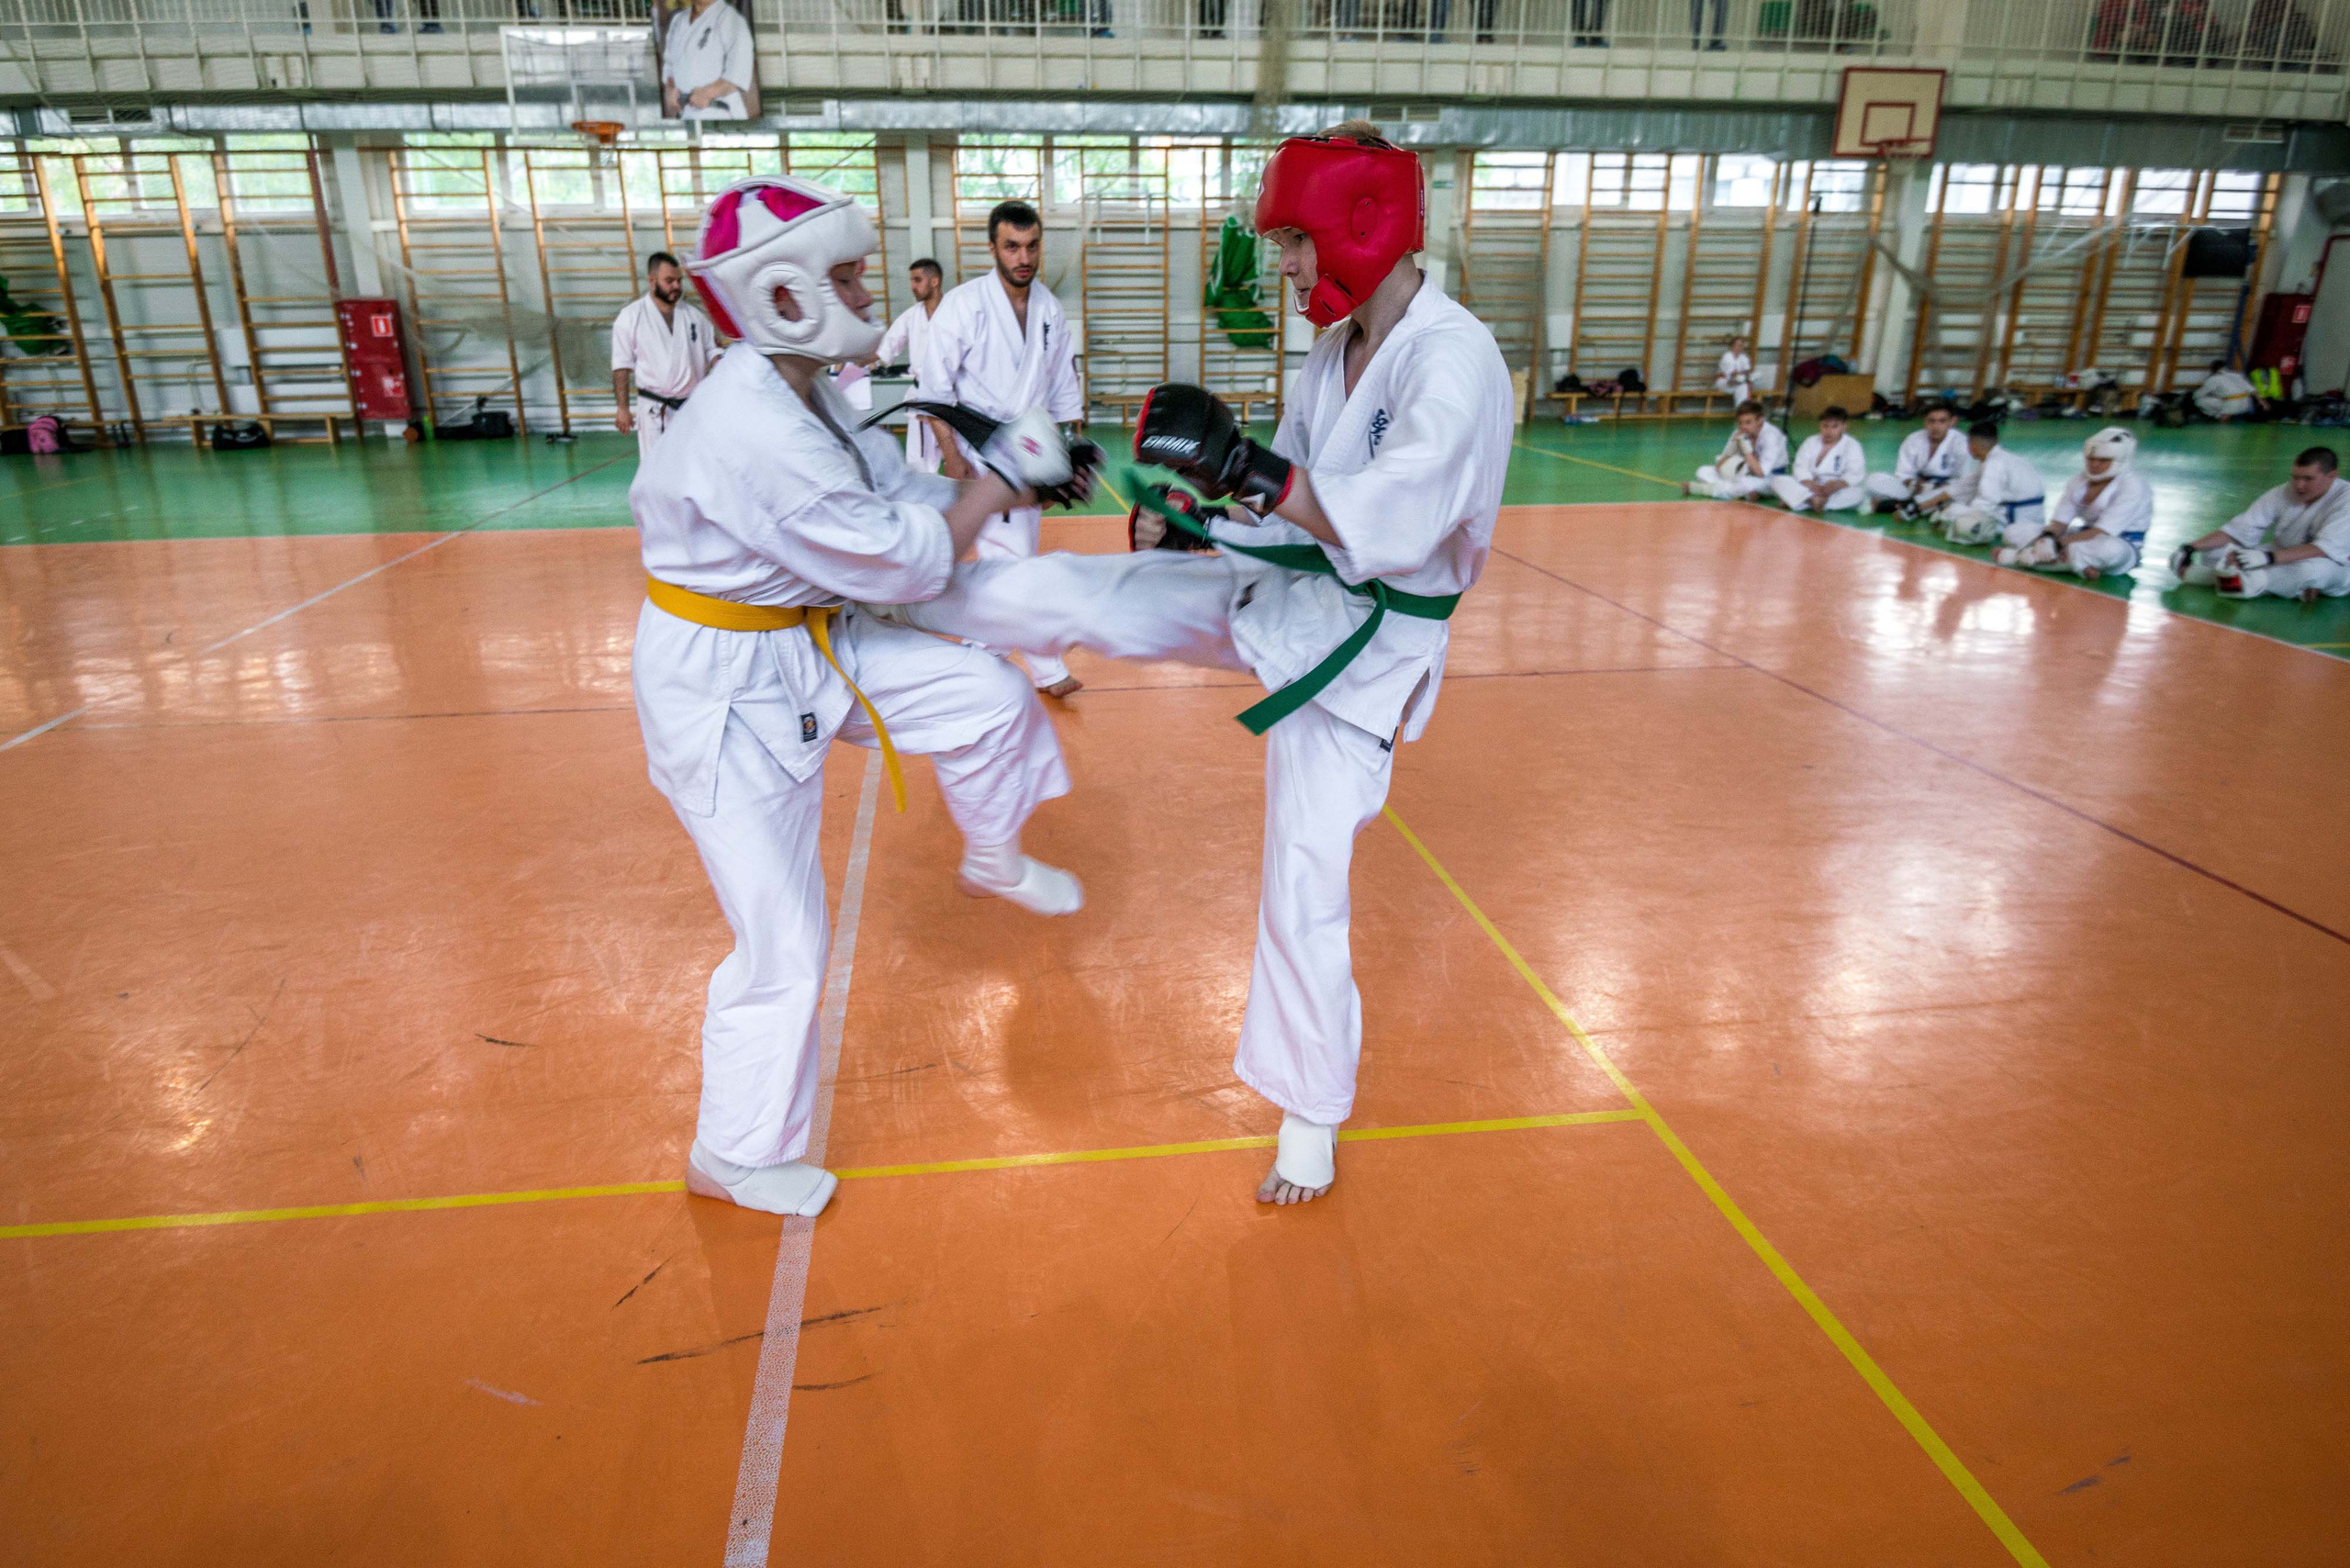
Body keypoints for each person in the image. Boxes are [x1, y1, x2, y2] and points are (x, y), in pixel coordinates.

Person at [891, 128, 1513, 1208]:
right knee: (1104, 591)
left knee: (1303, 876)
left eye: (1292, 244)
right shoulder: (1340, 346)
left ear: (1360, 229)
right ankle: (906, 587)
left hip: (1371, 647)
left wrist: (1249, 470)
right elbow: (1299, 490)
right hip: (1295, 579)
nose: (1282, 268)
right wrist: (1196, 522)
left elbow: (1397, 519)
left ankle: (1309, 1113)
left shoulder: (1452, 358)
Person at [635, 176, 1092, 1218]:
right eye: (843, 275)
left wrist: (1015, 478)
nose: (863, 289)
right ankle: (735, 1153)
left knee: (983, 697)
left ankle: (991, 852)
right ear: (781, 293)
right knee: (784, 938)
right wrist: (1000, 481)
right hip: (724, 685)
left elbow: (903, 495)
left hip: (807, 643)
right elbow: (898, 559)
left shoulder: (813, 396)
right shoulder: (751, 423)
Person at [916, 199, 1087, 700]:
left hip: (1030, 450)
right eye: (1012, 246)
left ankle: (989, 654)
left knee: (1014, 558)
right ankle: (1028, 664)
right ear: (992, 247)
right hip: (977, 449)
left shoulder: (1050, 311)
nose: (1023, 257)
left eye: (1032, 246)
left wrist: (1061, 458)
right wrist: (952, 456)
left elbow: (1059, 392)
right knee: (1008, 560)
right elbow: (933, 391)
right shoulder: (964, 305)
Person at [2171, 445, 2350, 602]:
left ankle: (2213, 578)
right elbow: (2240, 529)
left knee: (2312, 570)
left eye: (2308, 479)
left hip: (2335, 566)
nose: (2299, 485)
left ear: (2332, 476)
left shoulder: (2345, 499)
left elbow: (2323, 549)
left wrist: (2267, 559)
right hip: (2281, 554)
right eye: (2295, 477)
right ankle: (2269, 585)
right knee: (2219, 552)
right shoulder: (2284, 492)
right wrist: (2189, 548)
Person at [1993, 426, 2150, 580]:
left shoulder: (2133, 486)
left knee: (2109, 550)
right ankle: (2075, 565)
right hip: (2081, 537)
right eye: (2091, 459)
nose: (2094, 465)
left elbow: (2101, 532)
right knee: (2013, 532)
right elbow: (2058, 524)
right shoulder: (2079, 481)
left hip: (2122, 544)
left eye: (2103, 460)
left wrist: (2056, 545)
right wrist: (2047, 539)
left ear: (2119, 460)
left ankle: (2017, 558)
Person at [611, 251, 719, 461]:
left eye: (679, 280)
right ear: (652, 281)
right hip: (654, 411)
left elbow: (713, 351)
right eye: (669, 281)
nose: (676, 286)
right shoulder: (631, 317)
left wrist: (722, 368)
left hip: (691, 408)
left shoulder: (695, 316)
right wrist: (622, 408)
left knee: (693, 468)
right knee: (656, 472)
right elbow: (621, 366)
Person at [873, 256, 946, 472]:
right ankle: (924, 505)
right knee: (919, 463)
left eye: (917, 280)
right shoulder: (911, 317)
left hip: (954, 396)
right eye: (912, 281)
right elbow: (885, 350)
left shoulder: (956, 310)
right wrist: (854, 362)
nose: (913, 287)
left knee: (961, 459)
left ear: (934, 281)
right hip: (921, 393)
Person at [1931, 420, 2046, 544]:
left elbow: (1986, 503)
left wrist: (1964, 514)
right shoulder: (2006, 458)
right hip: (2034, 517)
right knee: (1961, 502)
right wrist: (1927, 503)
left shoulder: (1993, 464)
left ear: (1971, 445)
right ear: (1996, 441)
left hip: (2013, 521)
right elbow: (1965, 484)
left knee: (1951, 512)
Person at [1863, 401, 1967, 516]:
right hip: (1915, 489)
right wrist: (1913, 483)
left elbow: (1964, 480)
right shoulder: (1913, 439)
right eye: (1931, 421)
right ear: (1925, 421)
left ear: (1952, 421)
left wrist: (1934, 487)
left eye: (1942, 421)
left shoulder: (1961, 443)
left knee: (1957, 496)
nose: (1936, 426)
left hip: (1944, 490)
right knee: (1873, 480)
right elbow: (1903, 473)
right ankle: (1919, 506)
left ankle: (1900, 505)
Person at [661, 0, 754, 120]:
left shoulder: (732, 19)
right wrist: (670, 89)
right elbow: (669, 64)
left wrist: (708, 92)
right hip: (687, 113)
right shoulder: (678, 21)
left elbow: (738, 74)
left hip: (721, 112)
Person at [1771, 405, 1867, 512]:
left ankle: (1803, 501)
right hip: (1809, 486)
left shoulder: (1852, 445)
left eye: (1834, 427)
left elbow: (1854, 474)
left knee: (1858, 494)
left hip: (1835, 489)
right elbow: (1800, 467)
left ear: (1844, 427)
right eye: (1825, 426)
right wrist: (1811, 484)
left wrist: (1834, 486)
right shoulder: (1810, 441)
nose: (1828, 431)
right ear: (1820, 425)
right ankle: (1812, 501)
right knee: (1777, 480)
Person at [1686, 399, 1787, 498]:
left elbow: (1761, 473)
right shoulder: (1739, 432)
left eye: (1748, 422)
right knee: (1703, 471)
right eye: (1740, 423)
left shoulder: (1771, 436)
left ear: (1760, 420)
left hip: (1771, 478)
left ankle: (1703, 489)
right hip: (1744, 473)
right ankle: (1745, 493)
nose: (1743, 427)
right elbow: (1719, 466)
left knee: (1745, 483)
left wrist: (1746, 449)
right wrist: (1731, 449)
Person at [2193, 360, 2259, 421]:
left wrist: (2193, 396)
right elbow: (2253, 390)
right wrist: (2264, 404)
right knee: (2225, 399)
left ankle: (2220, 416)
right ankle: (2227, 413)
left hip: (2232, 404)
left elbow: (2199, 394)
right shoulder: (2237, 375)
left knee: (2199, 401)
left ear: (2213, 370)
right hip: (2246, 405)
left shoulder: (2214, 379)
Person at [1714, 333, 1753, 404]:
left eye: (1741, 345)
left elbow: (1747, 371)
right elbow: (1732, 374)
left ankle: (1742, 410)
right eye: (1738, 345)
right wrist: (1741, 374)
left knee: (1743, 386)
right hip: (1724, 382)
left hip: (1737, 382)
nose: (1739, 347)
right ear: (1732, 346)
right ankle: (1742, 411)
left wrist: (1742, 375)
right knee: (1742, 386)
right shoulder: (1727, 357)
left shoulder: (1743, 357)